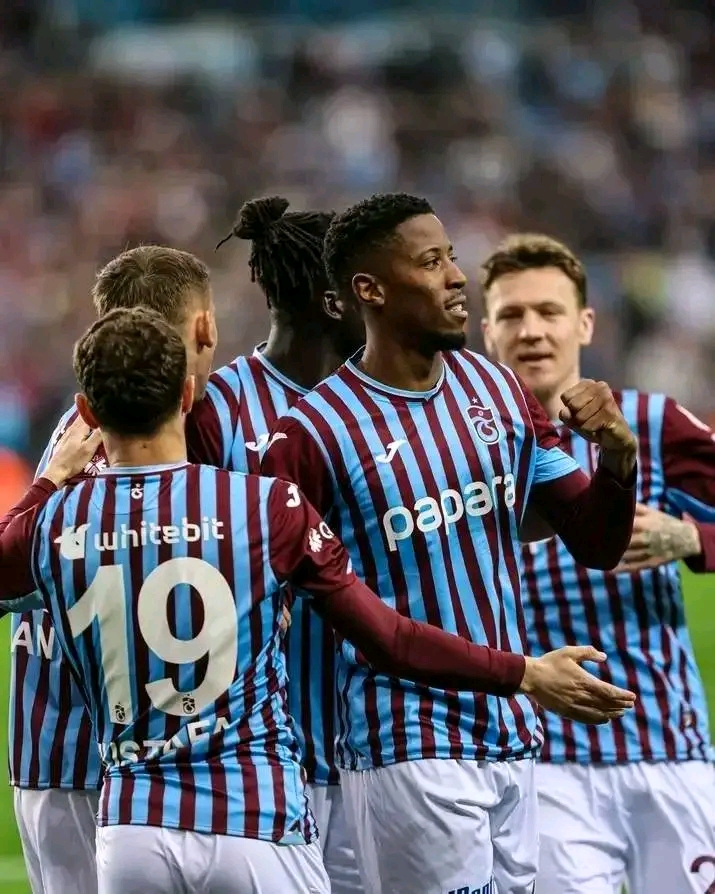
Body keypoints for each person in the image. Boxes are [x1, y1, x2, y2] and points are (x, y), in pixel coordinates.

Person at [0, 308, 633, 894]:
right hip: (255, 818)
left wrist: (49, 480)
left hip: (131, 828)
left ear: (86, 409)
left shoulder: (55, 521)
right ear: (189, 396)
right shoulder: (264, 507)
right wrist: (522, 672)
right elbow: (387, 638)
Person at [259, 192, 639, 894]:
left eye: (452, 257)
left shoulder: (498, 391)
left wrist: (618, 457)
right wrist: (526, 674)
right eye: (431, 262)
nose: (457, 277)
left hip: (511, 737)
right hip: (408, 746)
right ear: (370, 290)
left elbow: (595, 542)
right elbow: (374, 634)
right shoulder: (309, 435)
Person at [480, 232, 715, 894]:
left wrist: (693, 538)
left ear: (584, 323)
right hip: (542, 761)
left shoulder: (653, 424)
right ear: (486, 332)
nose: (531, 330)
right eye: (511, 314)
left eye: (548, 311)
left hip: (669, 752)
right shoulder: (460, 447)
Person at [9, 245, 218, 894]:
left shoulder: (88, 428)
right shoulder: (126, 450)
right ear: (204, 327)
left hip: (71, 749)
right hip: (88, 756)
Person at [187, 195, 366, 893]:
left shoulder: (383, 397)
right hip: (269, 755)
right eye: (364, 285)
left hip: (384, 744)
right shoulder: (219, 408)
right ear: (332, 301)